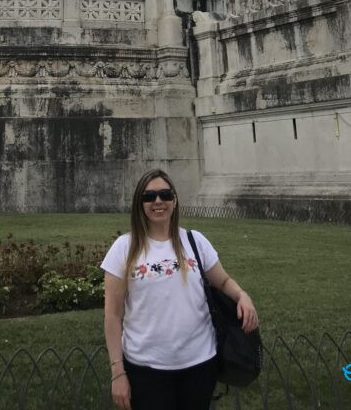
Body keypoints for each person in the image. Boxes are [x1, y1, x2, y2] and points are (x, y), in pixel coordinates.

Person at [101, 168, 258, 410]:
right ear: (139, 203)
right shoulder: (124, 248)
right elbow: (112, 315)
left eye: (165, 194)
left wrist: (242, 295)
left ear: (174, 200)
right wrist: (117, 372)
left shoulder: (195, 241)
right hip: (146, 369)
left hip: (199, 364)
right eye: (149, 196)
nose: (158, 202)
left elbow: (223, 282)